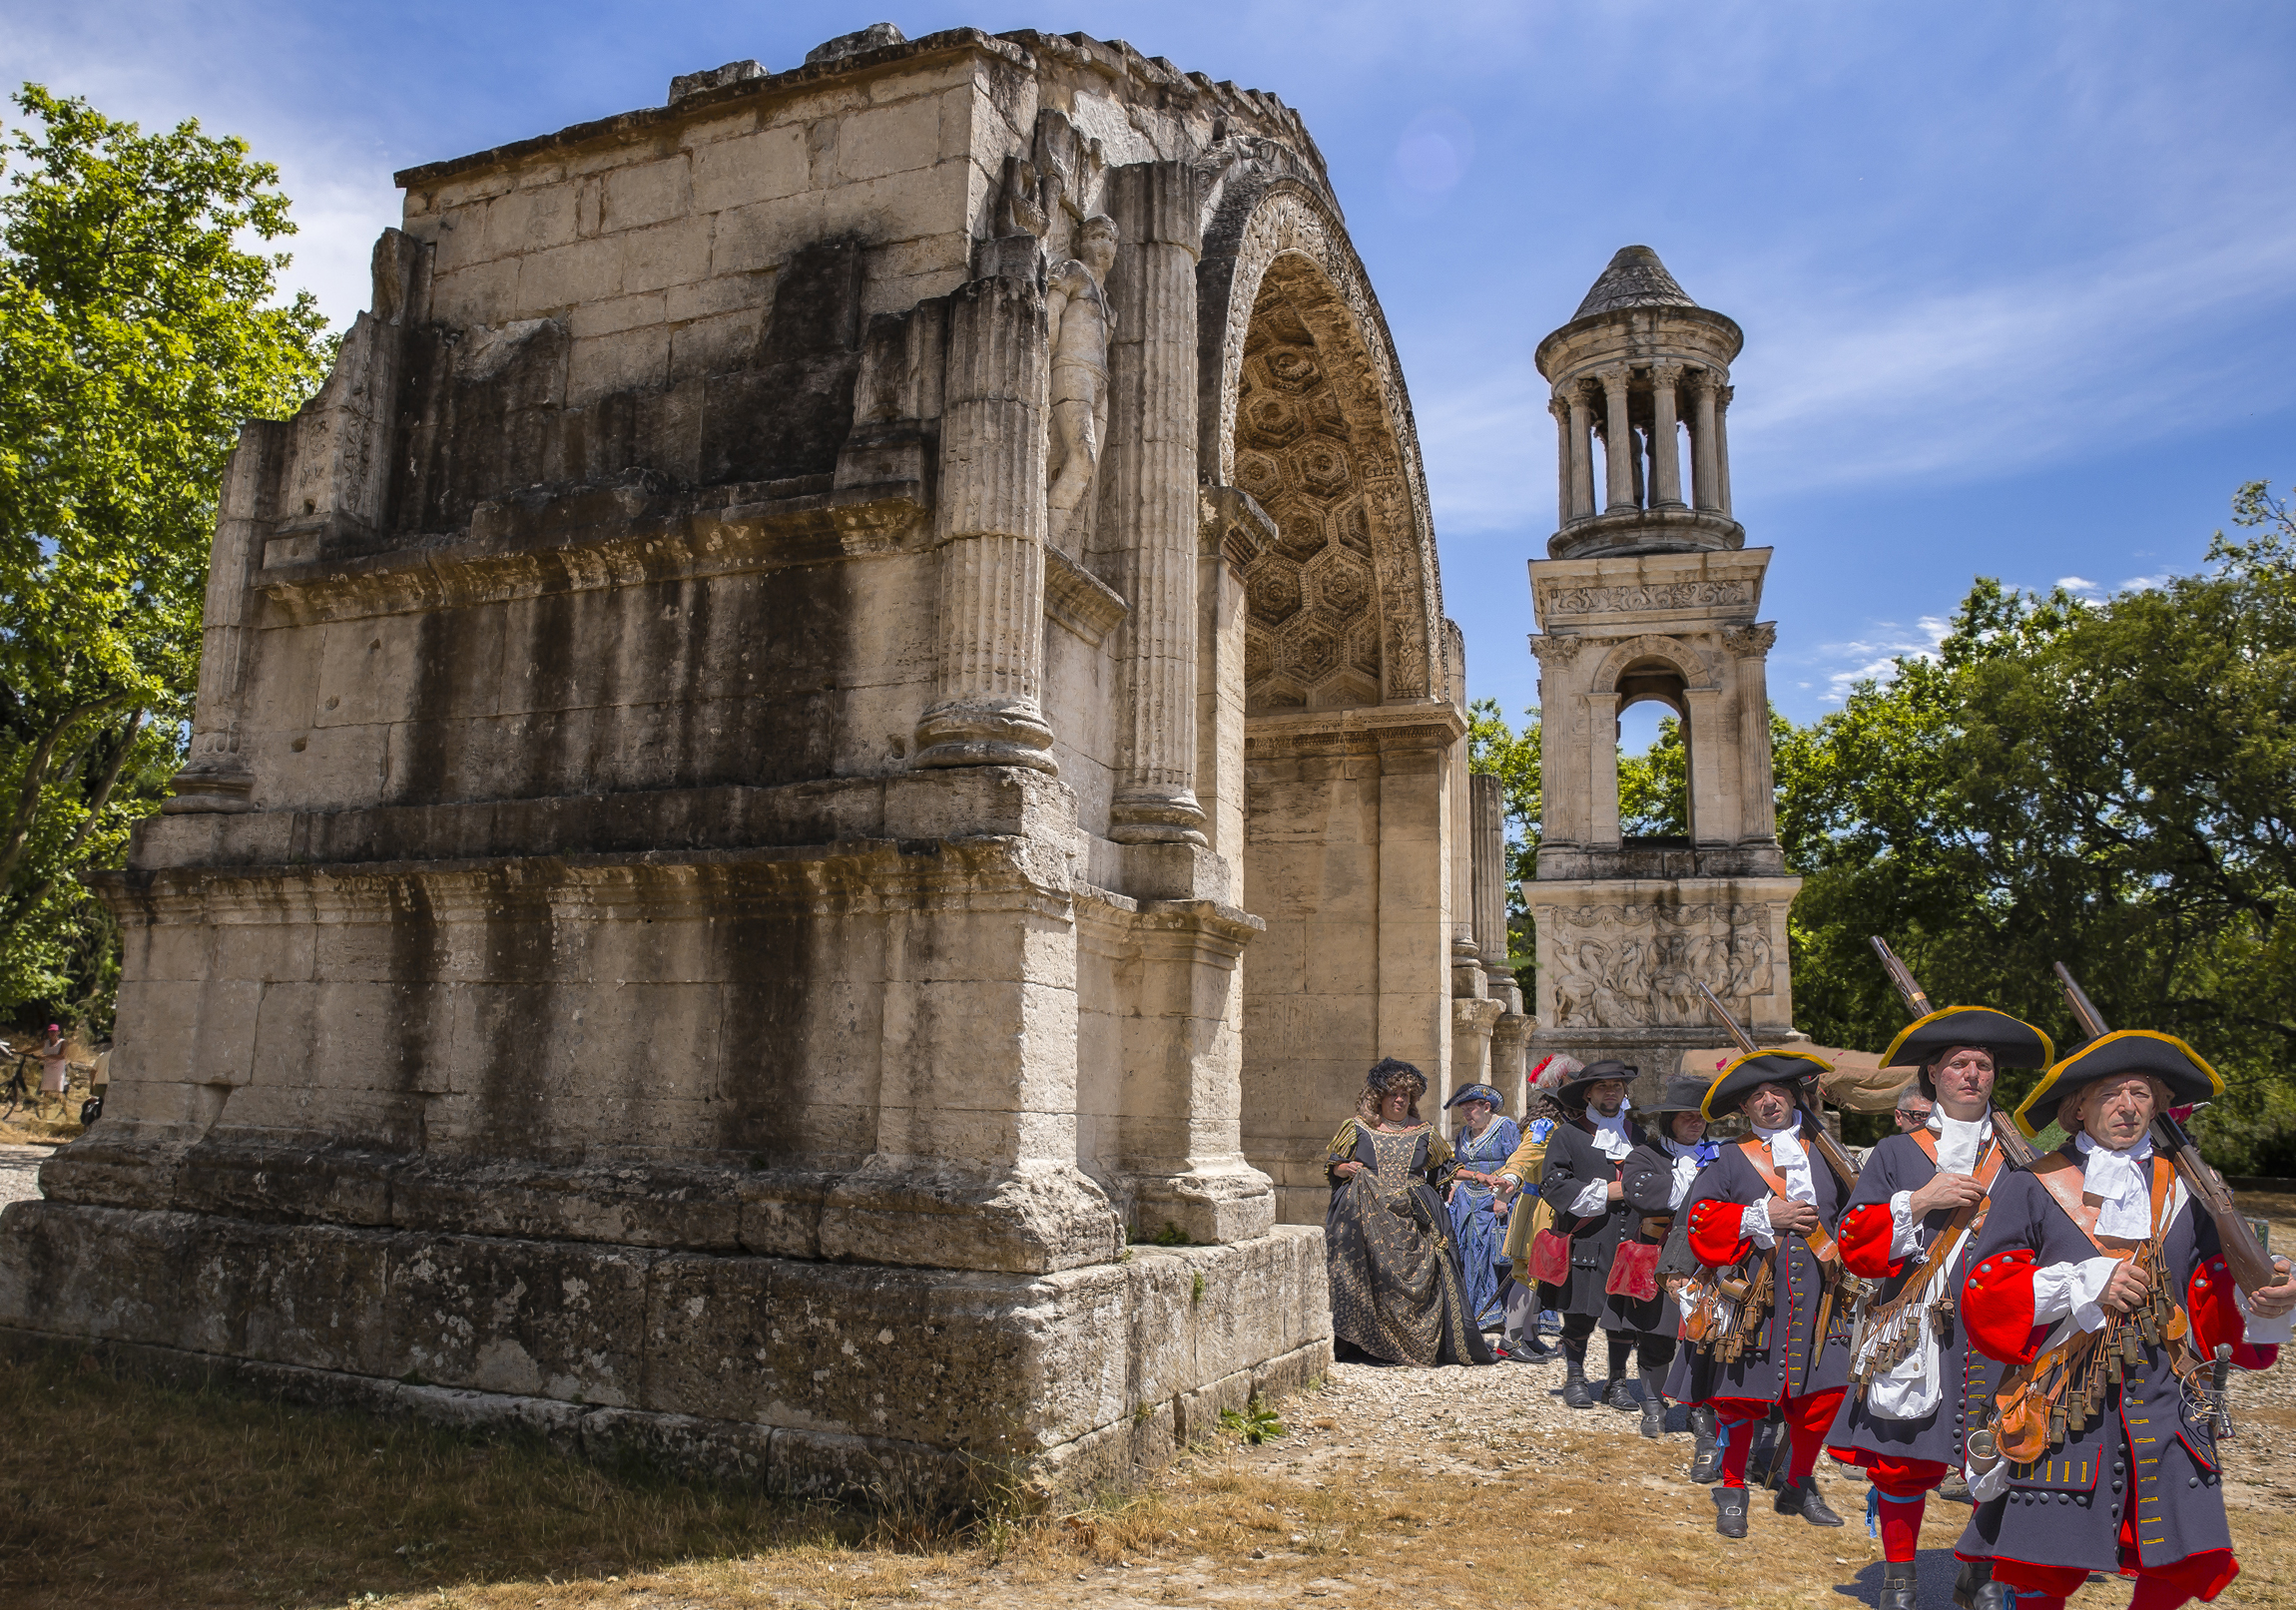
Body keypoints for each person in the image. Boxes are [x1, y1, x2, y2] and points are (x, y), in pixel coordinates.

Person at [1953, 1031, 2296, 1610]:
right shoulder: (2032, 1183)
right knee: (2045, 1568)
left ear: (2158, 1107)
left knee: (2176, 1557)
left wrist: (2269, 1299)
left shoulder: (2189, 1187)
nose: (2128, 1106)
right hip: (2066, 1391)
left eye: (2141, 1093)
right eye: (2112, 1093)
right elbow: (1986, 1291)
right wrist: (2087, 1282)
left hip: (2169, 1390)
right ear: (2078, 1107)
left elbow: (2216, 1288)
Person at [1824, 1006, 2055, 1610]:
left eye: (1983, 1065)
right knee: (1903, 1458)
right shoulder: (1897, 1152)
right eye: (1959, 1064)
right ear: (1934, 1072)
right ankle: (1900, 1577)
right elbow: (1853, 1241)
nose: (1972, 1074)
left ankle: (1978, 1569)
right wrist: (1921, 1200)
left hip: (1997, 1327)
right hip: (1915, 1328)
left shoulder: (2021, 1155)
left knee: (2002, 1448)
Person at [1675, 1047, 1855, 1538]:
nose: (1768, 1101)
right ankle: (1733, 1488)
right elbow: (1699, 1219)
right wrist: (1762, 1216)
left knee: (1822, 1396)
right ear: (1744, 1109)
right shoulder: (1732, 1158)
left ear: (1795, 1096)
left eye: (1777, 1091)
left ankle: (1799, 1482)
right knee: (1739, 1401)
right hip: (1754, 1296)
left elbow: (1856, 1213)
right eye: (1756, 1096)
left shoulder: (1828, 1154)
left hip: (1821, 1297)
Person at [1324, 1057, 1496, 1367]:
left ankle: (1413, 1344)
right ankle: (1367, 1346)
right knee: (1365, 1278)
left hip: (1412, 1216)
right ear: (1379, 1097)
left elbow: (1447, 1167)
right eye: (1393, 1094)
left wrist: (1480, 1177)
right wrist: (1345, 1167)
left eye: (1406, 1094)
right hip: (1367, 1216)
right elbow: (1334, 1165)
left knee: (1427, 1272)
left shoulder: (1424, 1132)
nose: (1400, 1100)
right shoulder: (1357, 1128)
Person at [1527, 1060, 1647, 1410]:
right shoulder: (1568, 1134)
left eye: (1617, 1086)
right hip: (1587, 1237)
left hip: (1630, 1239)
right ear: (1589, 1094)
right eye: (1602, 1086)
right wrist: (1604, 1193)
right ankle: (1575, 1377)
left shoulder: (1636, 1134)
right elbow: (1553, 1183)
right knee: (1580, 1312)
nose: (1611, 1091)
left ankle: (1617, 1381)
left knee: (1624, 1313)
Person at [1620, 1072, 1722, 1440]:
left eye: (1701, 1117)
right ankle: (1652, 1404)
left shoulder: (1721, 1156)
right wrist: (1690, 1182)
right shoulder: (1644, 1155)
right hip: (1658, 1260)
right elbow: (1641, 1195)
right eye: (1687, 1116)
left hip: (1708, 1261)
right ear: (1669, 1119)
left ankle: (1700, 1410)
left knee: (1704, 1335)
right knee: (1656, 1335)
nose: (1696, 1123)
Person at [1493, 1056, 1577, 1360]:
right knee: (1527, 1273)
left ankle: (1528, 1336)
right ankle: (1509, 1339)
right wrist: (1510, 1176)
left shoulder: (1561, 1123)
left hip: (1546, 1205)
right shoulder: (1546, 1125)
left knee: (1537, 1273)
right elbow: (1524, 1155)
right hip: (1537, 1206)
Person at [1443, 1082, 1521, 1334]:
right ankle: (1472, 1312)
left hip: (1495, 1199)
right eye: (1463, 1111)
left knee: (1492, 1253)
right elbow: (1458, 1165)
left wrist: (1504, 1197)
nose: (1466, 1115)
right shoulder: (1463, 1134)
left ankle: (1495, 1312)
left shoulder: (1505, 1127)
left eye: (1471, 1109)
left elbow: (1516, 1164)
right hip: (1467, 1201)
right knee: (1467, 1253)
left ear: (1486, 1107)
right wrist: (1454, 1185)